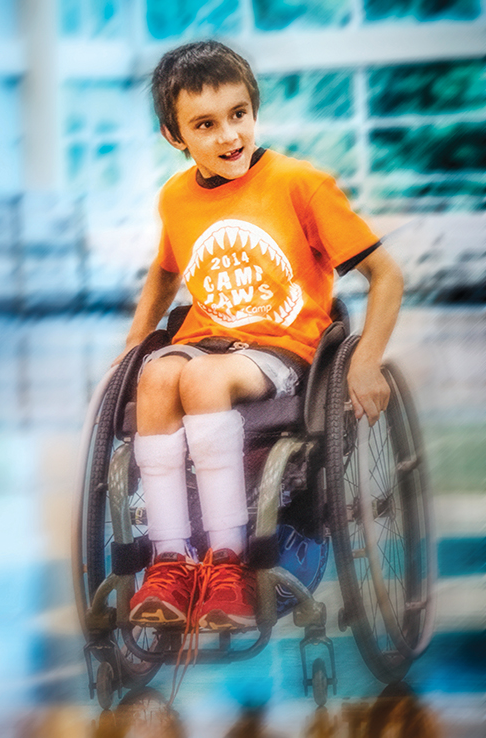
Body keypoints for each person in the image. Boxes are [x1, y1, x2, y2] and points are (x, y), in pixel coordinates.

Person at [117, 41, 404, 632]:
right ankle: (170, 560)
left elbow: (386, 274)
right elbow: (166, 270)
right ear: (176, 137)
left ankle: (226, 562)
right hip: (208, 341)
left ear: (253, 110)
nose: (228, 136)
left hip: (283, 348)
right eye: (206, 124)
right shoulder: (175, 197)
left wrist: (368, 358)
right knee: (155, 374)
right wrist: (134, 343)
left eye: (238, 115)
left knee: (197, 375)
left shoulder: (301, 183)